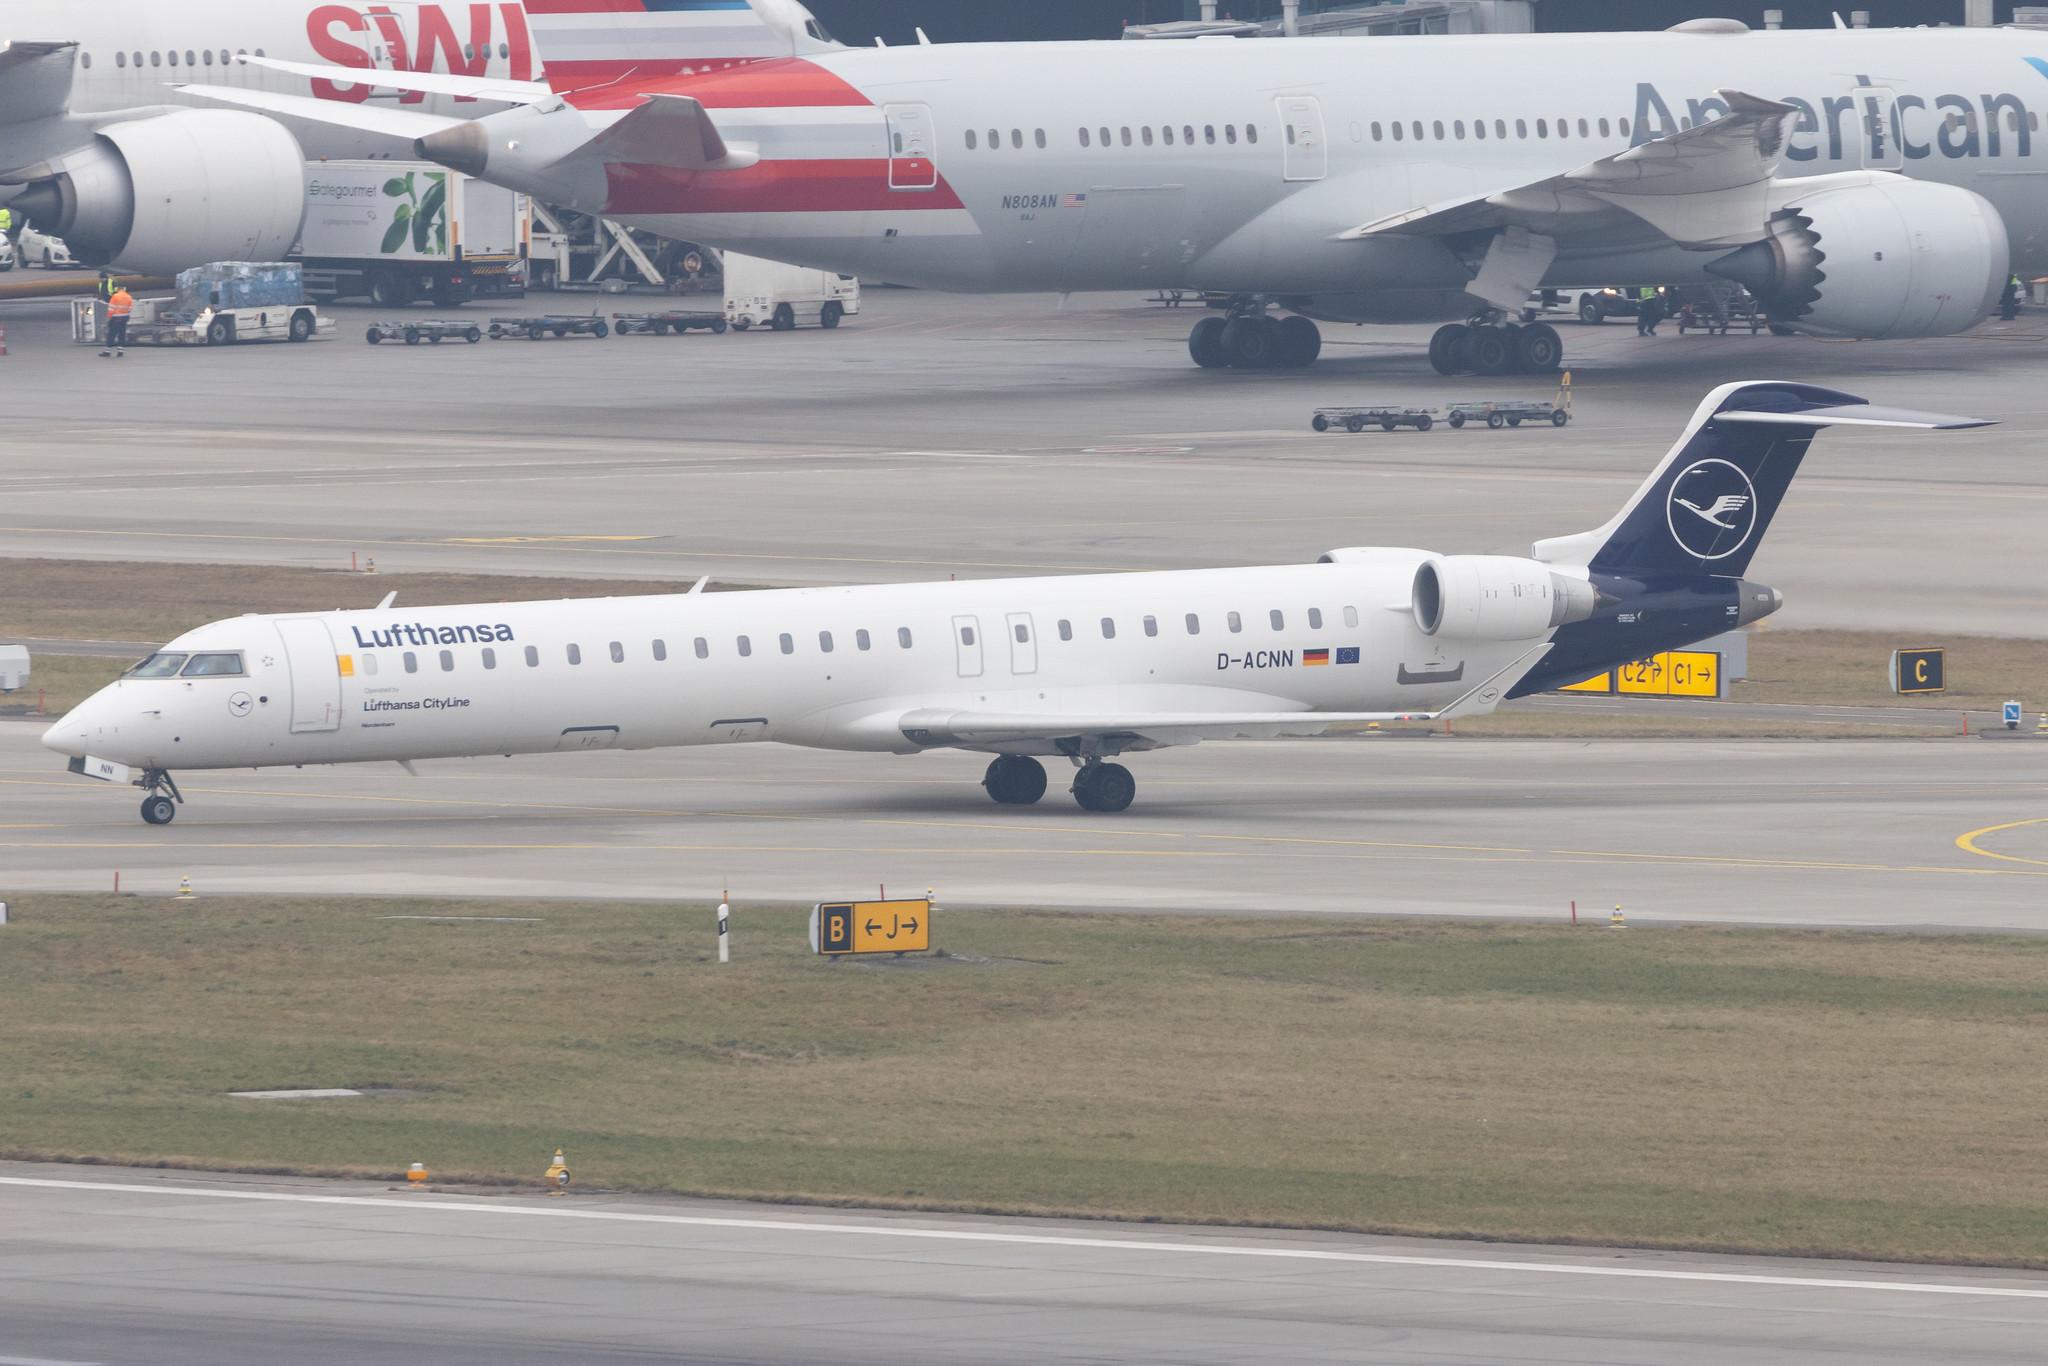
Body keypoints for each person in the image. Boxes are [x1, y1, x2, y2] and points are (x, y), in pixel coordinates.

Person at [100, 284, 133, 358]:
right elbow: (130, 309)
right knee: (122, 334)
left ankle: (107, 351)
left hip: (115, 318)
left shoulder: (115, 296)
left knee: (111, 335)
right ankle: (120, 351)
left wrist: (109, 318)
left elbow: (111, 309)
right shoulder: (129, 297)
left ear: (117, 289)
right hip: (124, 318)